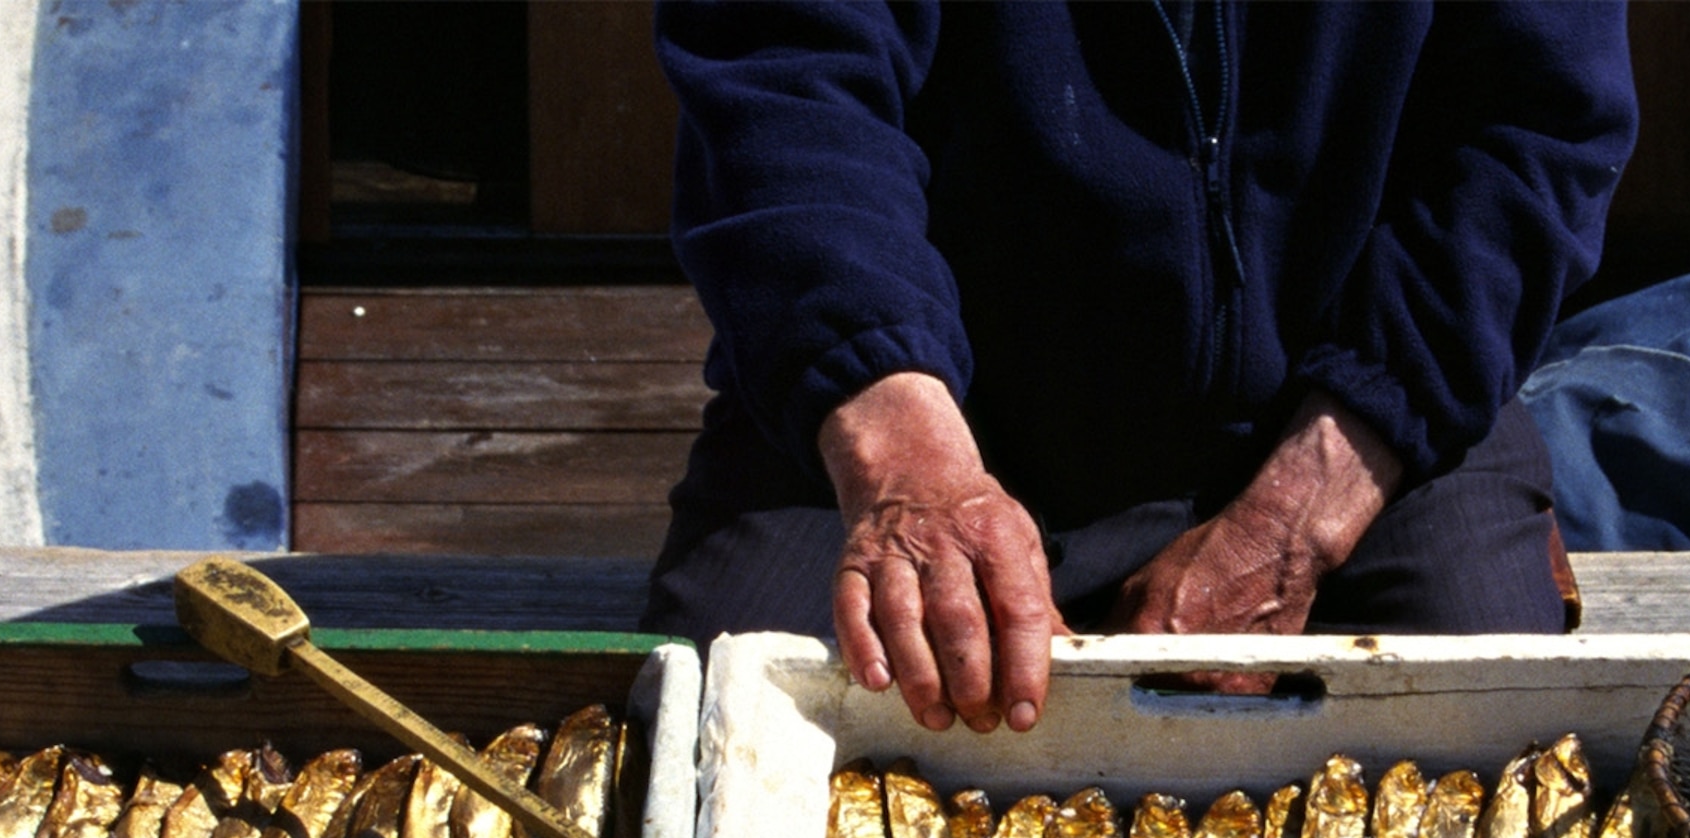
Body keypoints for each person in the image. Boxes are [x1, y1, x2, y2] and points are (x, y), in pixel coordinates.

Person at [641, 2, 1639, 733]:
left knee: (1496, 744)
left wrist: (1291, 521)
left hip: (1364, 396)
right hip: (917, 396)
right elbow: (784, 78)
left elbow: (1538, 131)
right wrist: (906, 461)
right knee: (723, 729)